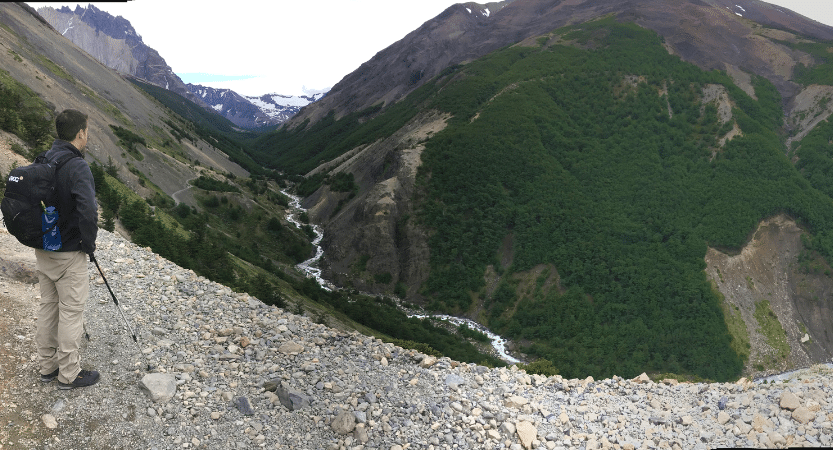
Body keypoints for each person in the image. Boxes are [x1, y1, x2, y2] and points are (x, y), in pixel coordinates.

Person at [35, 109, 100, 390]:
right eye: (87, 130)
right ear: (80, 133)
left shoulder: (44, 158)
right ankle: (69, 375)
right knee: (71, 311)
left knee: (49, 307)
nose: (88, 135)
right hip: (69, 250)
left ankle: (47, 367)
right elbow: (88, 211)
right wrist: (89, 244)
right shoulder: (77, 166)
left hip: (43, 247)